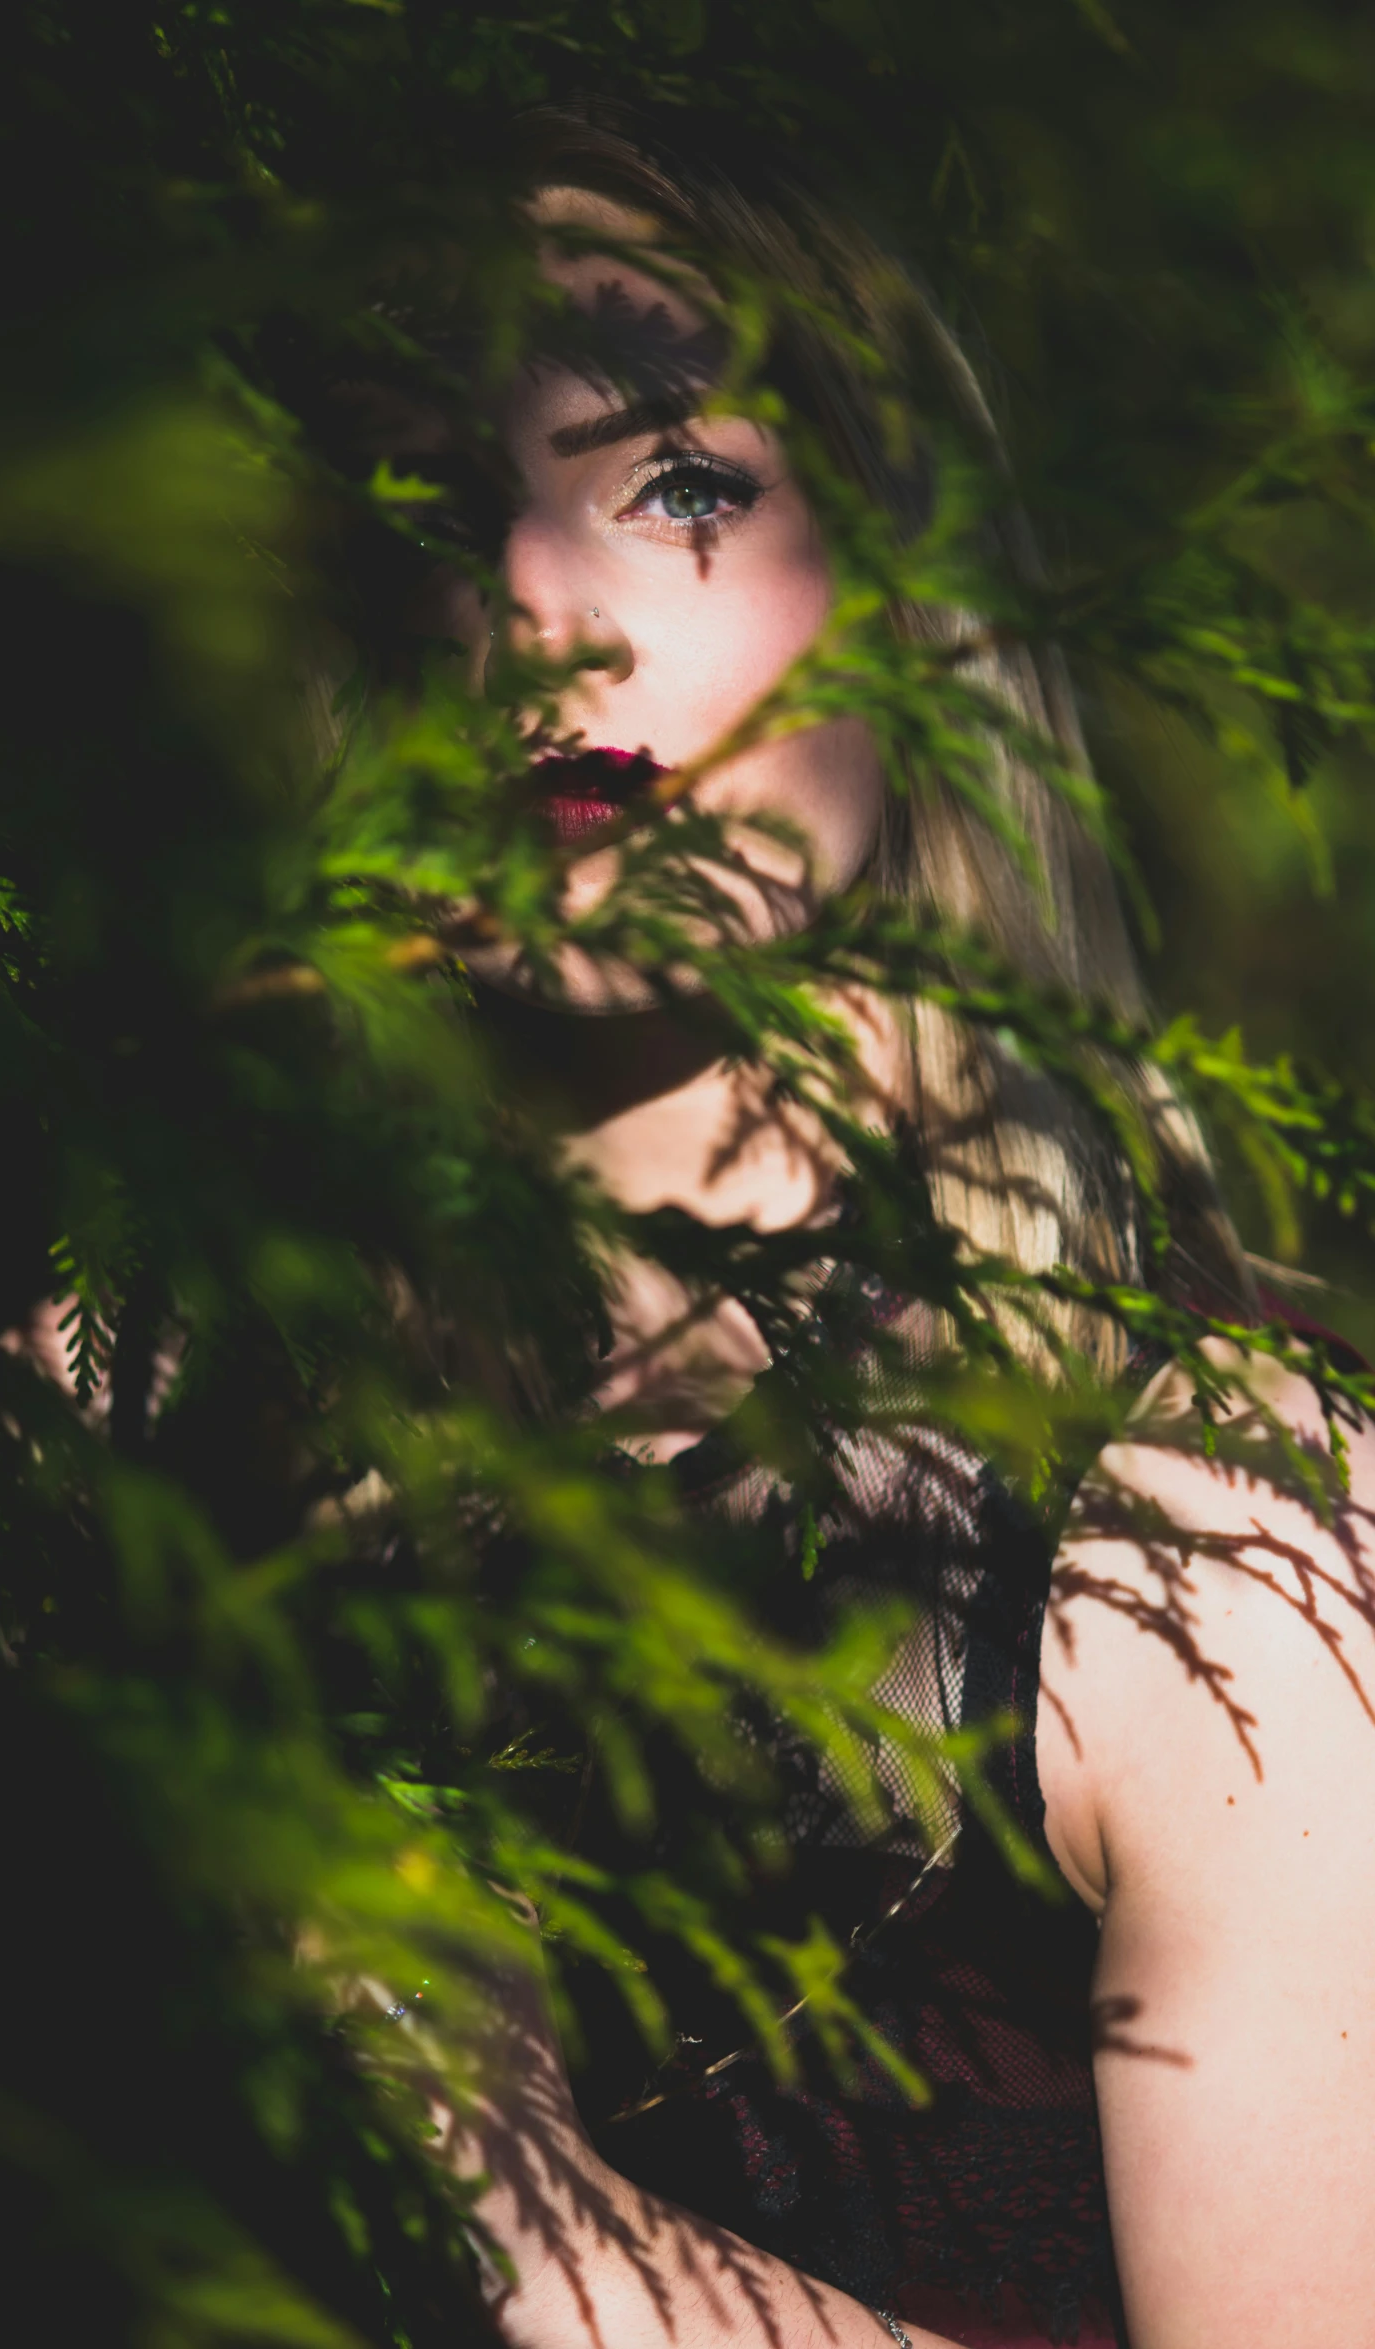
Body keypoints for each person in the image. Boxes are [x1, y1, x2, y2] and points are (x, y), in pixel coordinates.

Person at [360, 110, 1375, 2349]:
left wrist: (513, 2200)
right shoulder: (149, 1412)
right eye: (432, 509)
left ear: (918, 597)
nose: (536, 615)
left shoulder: (1204, 1535)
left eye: (679, 485)